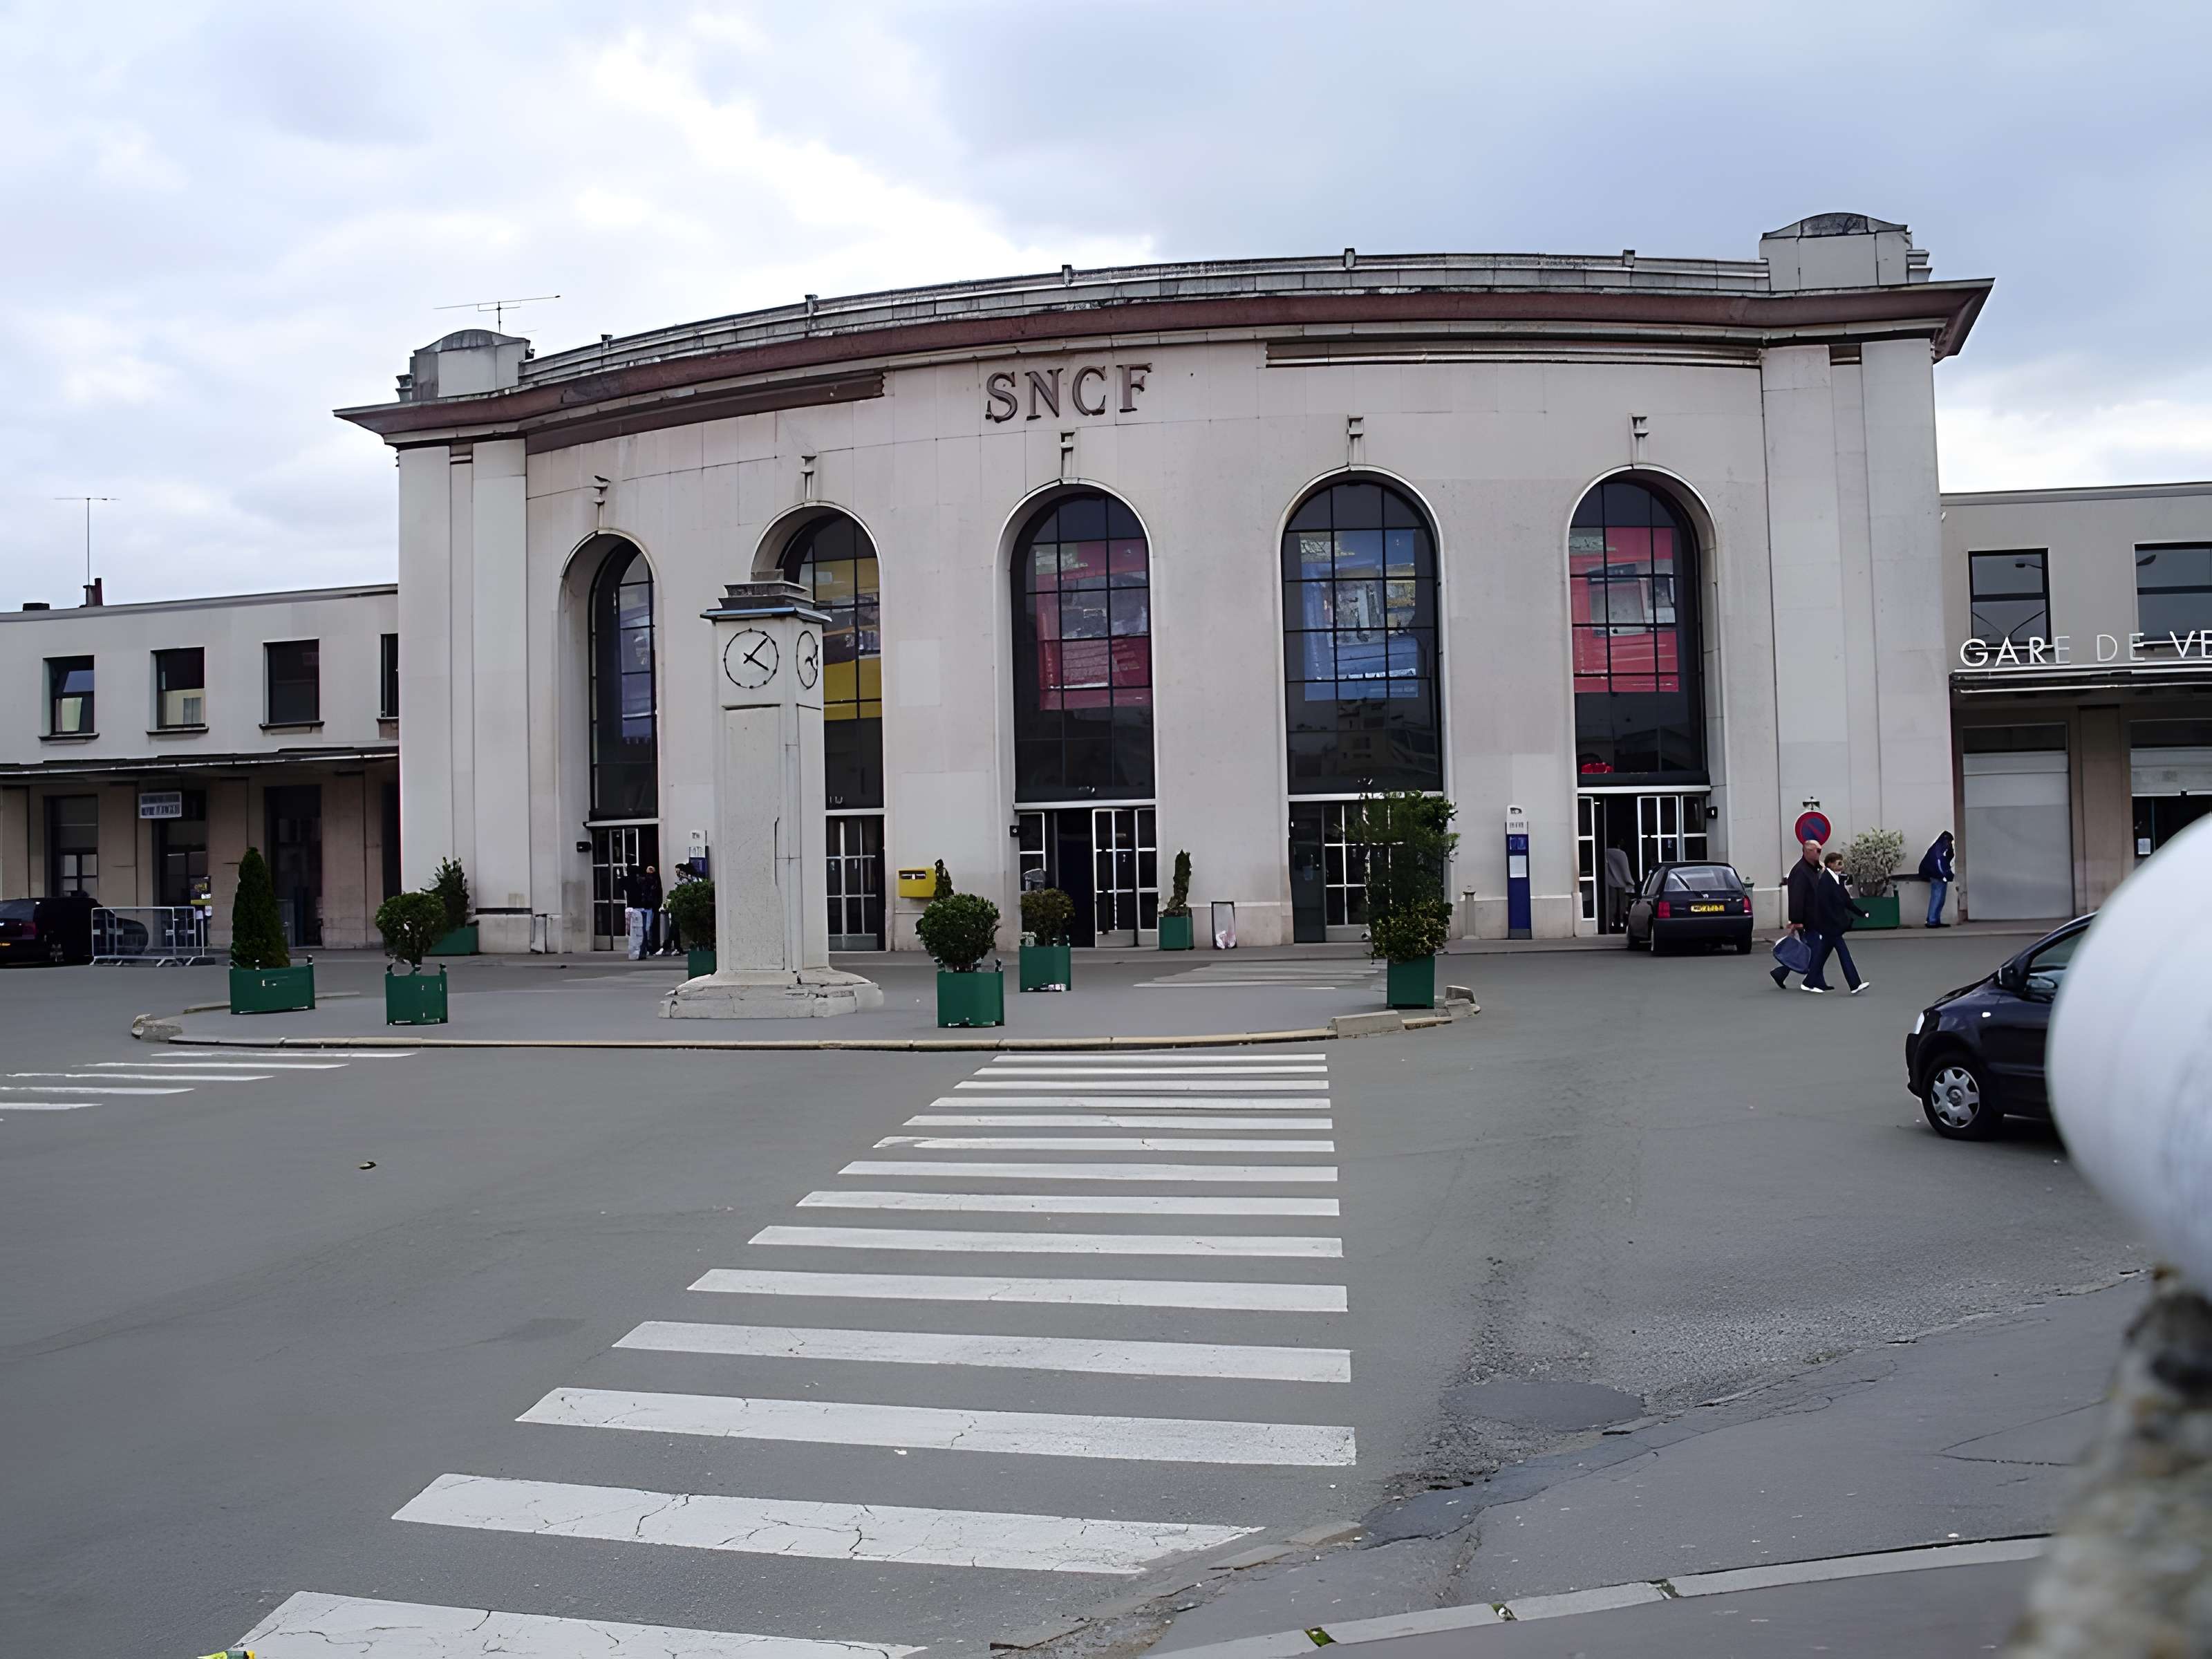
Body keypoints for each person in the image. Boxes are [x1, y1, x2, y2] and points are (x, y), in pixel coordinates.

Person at [1803, 850, 1872, 995]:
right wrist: (1836, 921)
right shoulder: (1825, 881)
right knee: (1843, 953)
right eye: (1838, 863)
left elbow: (1846, 901)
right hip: (1830, 925)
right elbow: (1824, 905)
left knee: (1822, 955)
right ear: (1830, 864)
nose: (1841, 866)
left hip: (1833, 925)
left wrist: (1861, 913)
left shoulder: (1837, 880)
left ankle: (1808, 982)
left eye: (1842, 863)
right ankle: (1855, 984)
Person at [1773, 838, 1826, 988]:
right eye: (1818, 851)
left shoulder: (1812, 869)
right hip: (1806, 919)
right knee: (1815, 950)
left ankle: (1781, 972)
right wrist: (1796, 920)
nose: (1820, 853)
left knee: (1805, 949)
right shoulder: (1800, 871)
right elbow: (1797, 897)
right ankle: (1816, 981)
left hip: (1813, 918)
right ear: (1808, 851)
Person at [1918, 831, 1956, 928]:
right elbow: (1940, 864)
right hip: (1936, 875)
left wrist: (1950, 850)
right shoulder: (1939, 849)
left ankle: (1935, 919)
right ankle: (1932, 920)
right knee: (1937, 897)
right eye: (1949, 842)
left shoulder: (1941, 848)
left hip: (1937, 875)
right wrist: (1946, 875)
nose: (1950, 844)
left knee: (1940, 898)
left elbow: (1947, 859)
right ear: (1946, 840)